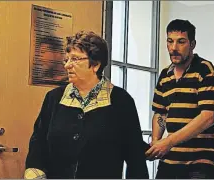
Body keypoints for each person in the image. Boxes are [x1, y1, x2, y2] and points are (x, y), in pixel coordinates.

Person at [24, 30, 149, 179]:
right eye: (66, 60)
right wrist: (34, 172)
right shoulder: (54, 98)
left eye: (75, 59)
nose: (67, 66)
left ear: (95, 64)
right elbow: (38, 142)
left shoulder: (121, 101)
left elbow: (135, 159)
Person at [146, 19, 214, 179]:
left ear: (192, 44)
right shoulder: (165, 75)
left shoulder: (205, 70)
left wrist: (168, 142)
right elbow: (160, 113)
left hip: (200, 164)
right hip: (169, 163)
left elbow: (208, 117)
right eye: (170, 41)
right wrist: (156, 141)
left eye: (181, 42)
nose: (173, 48)